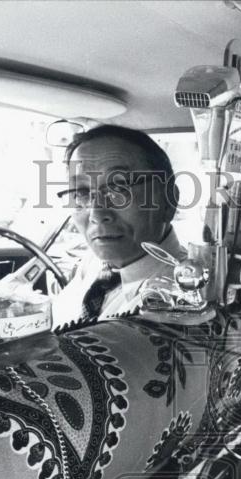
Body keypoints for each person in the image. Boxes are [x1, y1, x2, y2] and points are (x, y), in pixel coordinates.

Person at [50, 125, 186, 328]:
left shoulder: (182, 302)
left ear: (168, 200)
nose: (97, 214)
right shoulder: (94, 263)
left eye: (119, 188)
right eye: (80, 192)